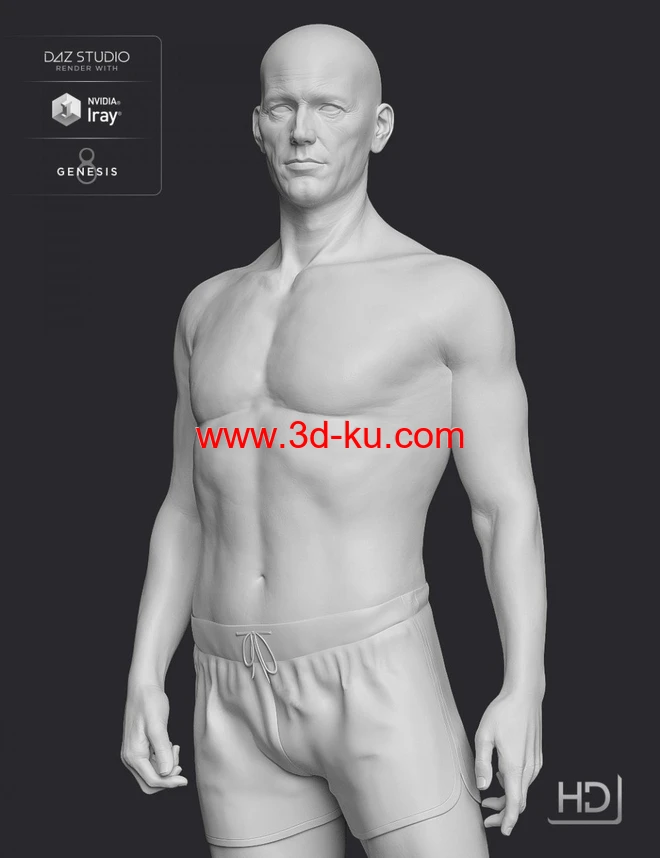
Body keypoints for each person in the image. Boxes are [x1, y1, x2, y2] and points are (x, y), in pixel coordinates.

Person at [120, 23, 546, 858]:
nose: (302, 131)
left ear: (378, 127)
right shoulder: (208, 307)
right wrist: (144, 672)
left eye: (328, 107)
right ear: (256, 125)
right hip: (228, 684)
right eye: (282, 107)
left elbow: (504, 509)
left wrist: (524, 685)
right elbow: (185, 508)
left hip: (375, 674)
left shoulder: (448, 295)